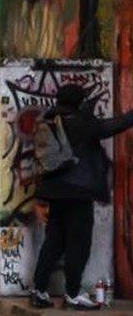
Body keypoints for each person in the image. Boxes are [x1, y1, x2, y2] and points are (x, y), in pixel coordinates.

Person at [30, 84, 133, 310]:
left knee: (54, 243)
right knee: (79, 244)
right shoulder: (80, 122)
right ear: (78, 101)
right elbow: (113, 126)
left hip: (54, 193)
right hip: (77, 193)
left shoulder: (47, 119)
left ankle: (38, 291)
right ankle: (73, 293)